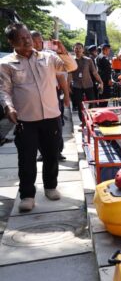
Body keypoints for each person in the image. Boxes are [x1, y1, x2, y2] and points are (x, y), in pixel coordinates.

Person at [0, 23, 76, 212]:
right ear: (12, 41)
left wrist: (64, 51)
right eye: (22, 38)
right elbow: (4, 90)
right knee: (26, 159)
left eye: (29, 37)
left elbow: (71, 66)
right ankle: (27, 195)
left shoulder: (49, 58)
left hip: (51, 116)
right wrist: (8, 107)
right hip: (26, 120)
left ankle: (50, 187)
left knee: (51, 155)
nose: (28, 41)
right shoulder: (6, 63)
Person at [30, 30, 67, 162]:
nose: (38, 43)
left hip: (53, 94)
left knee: (57, 123)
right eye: (35, 40)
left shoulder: (50, 56)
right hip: (34, 99)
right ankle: (43, 151)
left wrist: (66, 95)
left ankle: (57, 150)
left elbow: (62, 76)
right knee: (38, 125)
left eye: (40, 40)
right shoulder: (24, 58)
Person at [70, 42, 103, 120]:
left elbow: (94, 72)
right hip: (77, 86)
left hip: (88, 85)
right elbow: (69, 74)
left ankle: (91, 119)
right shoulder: (71, 60)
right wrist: (68, 86)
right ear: (73, 49)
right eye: (76, 48)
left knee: (92, 103)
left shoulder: (88, 60)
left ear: (83, 49)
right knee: (80, 105)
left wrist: (100, 82)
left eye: (80, 48)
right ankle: (83, 121)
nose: (78, 50)